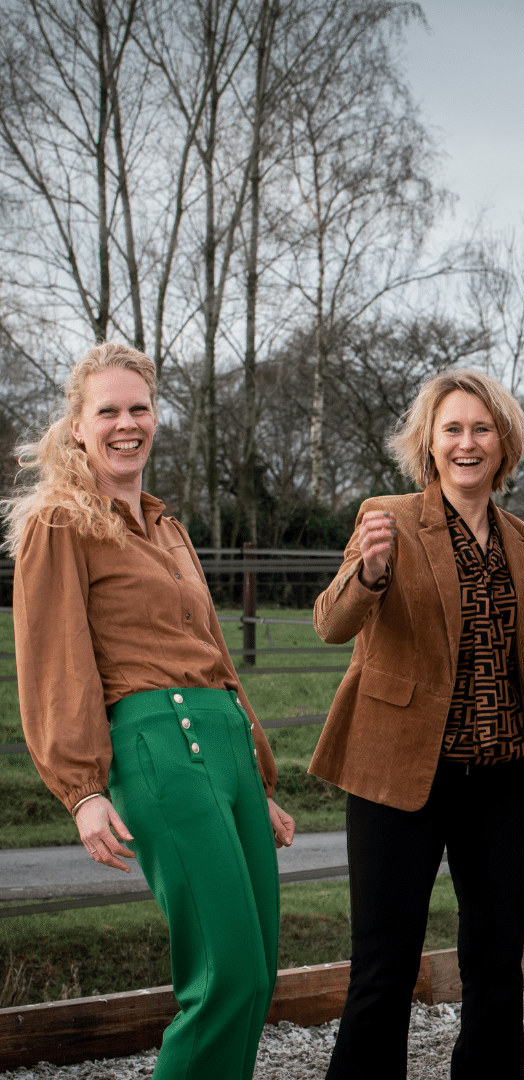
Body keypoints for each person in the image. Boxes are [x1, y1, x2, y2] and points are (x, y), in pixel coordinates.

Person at [5, 342, 295, 1080]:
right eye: (108, 411)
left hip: (224, 743)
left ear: (156, 416)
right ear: (77, 425)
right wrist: (84, 789)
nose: (126, 424)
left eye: (139, 408)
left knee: (257, 978)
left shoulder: (167, 527)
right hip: (159, 744)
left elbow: (213, 655)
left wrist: (257, 780)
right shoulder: (60, 523)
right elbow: (51, 661)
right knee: (224, 976)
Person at [309, 368, 524, 1079]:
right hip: (400, 777)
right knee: (384, 970)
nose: (467, 442)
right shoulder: (386, 517)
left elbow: (518, 660)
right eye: (452, 428)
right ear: (428, 442)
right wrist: (371, 572)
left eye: (482, 428)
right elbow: (330, 624)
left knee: (496, 970)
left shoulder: (523, 541)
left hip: (505, 781)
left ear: (503, 443)